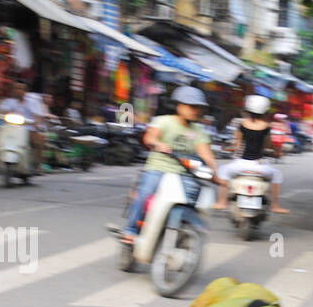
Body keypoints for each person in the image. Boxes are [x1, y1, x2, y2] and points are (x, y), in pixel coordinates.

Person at [118, 85, 219, 244]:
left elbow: (206, 153)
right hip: (158, 169)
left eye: (197, 107)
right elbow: (149, 138)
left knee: (195, 200)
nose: (195, 110)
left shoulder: (199, 130)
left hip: (184, 173)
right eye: (191, 106)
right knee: (145, 193)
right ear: (178, 105)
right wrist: (158, 144)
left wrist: (213, 170)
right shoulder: (163, 121)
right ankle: (131, 230)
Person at [212, 94, 288, 214]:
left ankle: (222, 201)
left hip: (241, 164)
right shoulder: (266, 126)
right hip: (259, 166)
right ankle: (275, 205)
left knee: (223, 171)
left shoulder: (242, 124)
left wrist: (232, 148)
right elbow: (268, 145)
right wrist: (275, 152)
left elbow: (236, 144)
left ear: (248, 109)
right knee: (277, 175)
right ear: (264, 111)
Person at [0, 79, 48, 169]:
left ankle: (37, 166)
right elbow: (2, 112)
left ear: (25, 91)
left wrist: (36, 123)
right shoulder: (9, 102)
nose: (18, 91)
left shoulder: (32, 102)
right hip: (10, 129)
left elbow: (37, 117)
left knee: (39, 141)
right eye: (16, 88)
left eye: (21, 88)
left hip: (28, 129)